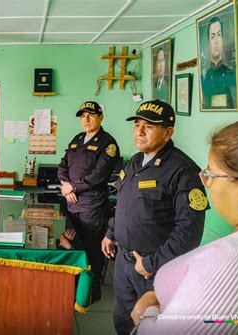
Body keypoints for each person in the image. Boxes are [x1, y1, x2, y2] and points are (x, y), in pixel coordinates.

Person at [101, 100, 208, 335]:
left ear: (168, 132)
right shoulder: (136, 161)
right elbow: (124, 203)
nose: (139, 131)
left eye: (148, 126)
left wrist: (150, 264)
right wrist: (111, 233)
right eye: (137, 124)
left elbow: (189, 233)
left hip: (155, 269)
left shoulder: (184, 171)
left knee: (153, 326)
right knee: (123, 319)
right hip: (124, 261)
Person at [131, 120, 238, 334]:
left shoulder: (225, 262)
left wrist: (150, 314)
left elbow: (210, 324)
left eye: (210, 175)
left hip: (150, 265)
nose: (206, 183)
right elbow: (230, 321)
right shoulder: (137, 161)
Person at [58, 100, 119, 302]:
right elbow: (63, 165)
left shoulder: (108, 144)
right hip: (72, 205)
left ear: (101, 117)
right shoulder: (77, 139)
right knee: (73, 245)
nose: (86, 119)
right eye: (83, 115)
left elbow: (98, 176)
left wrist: (73, 187)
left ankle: (92, 293)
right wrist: (66, 187)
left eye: (91, 115)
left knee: (91, 251)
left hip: (92, 208)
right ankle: (75, 286)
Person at [201, 16, 236, 109]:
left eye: (219, 35)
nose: (216, 41)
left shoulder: (231, 73)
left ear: (223, 40)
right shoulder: (204, 77)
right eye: (212, 37)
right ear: (209, 43)